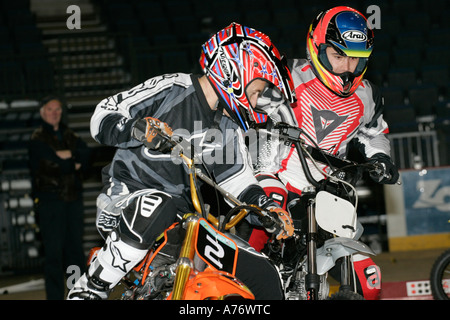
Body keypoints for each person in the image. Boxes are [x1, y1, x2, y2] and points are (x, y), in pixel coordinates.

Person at [67, 22, 296, 300]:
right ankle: (91, 287)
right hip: (126, 200)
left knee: (265, 275)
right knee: (157, 206)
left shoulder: (229, 124)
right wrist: (137, 129)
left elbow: (237, 180)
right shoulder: (172, 88)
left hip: (186, 219)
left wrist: (266, 208)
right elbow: (102, 115)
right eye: (256, 91)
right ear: (235, 72)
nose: (256, 100)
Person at [244, 7, 400, 300]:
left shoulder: (367, 94)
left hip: (328, 194)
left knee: (369, 284)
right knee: (248, 257)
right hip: (273, 180)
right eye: (339, 56)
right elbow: (248, 120)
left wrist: (381, 158)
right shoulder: (284, 76)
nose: (347, 68)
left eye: (356, 58)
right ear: (317, 47)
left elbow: (375, 133)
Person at [29, 96, 91, 300]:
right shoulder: (37, 139)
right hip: (50, 203)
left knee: (74, 252)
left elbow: (86, 155)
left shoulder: (69, 134)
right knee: (54, 255)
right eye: (50, 109)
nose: (54, 113)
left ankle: (76, 295)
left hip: (72, 201)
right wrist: (71, 161)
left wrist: (66, 156)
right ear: (42, 112)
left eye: (58, 109)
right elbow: (51, 164)